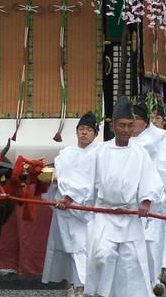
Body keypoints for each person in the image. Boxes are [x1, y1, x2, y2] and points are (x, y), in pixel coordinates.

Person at [84, 97, 164, 297]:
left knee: (131, 262)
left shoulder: (140, 153)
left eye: (130, 125)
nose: (127, 130)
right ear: (112, 126)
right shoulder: (99, 151)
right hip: (105, 214)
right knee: (103, 255)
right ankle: (102, 293)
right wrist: (69, 198)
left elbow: (150, 179)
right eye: (122, 125)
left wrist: (146, 201)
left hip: (129, 215)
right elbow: (85, 181)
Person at [42, 111, 100, 297]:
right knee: (64, 250)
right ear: (76, 132)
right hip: (61, 210)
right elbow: (56, 179)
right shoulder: (65, 154)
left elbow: (92, 184)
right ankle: (67, 287)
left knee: (81, 250)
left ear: (95, 134)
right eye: (81, 129)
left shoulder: (99, 155)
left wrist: (70, 196)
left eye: (88, 130)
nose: (84, 133)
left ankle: (81, 289)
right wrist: (52, 184)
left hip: (82, 211)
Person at [130, 102, 166, 295]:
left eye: (157, 118)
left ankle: (154, 279)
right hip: (131, 201)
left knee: (153, 241)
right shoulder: (126, 143)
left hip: (158, 200)